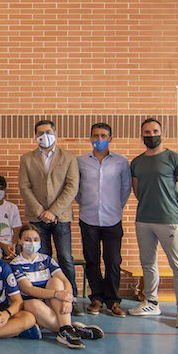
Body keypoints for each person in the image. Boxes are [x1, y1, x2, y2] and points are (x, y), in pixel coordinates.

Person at [129, 118, 178, 329]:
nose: (151, 135)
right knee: (148, 263)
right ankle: (151, 302)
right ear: (142, 136)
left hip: (169, 222)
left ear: (162, 132)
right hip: (144, 220)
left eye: (155, 131)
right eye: (147, 132)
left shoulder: (174, 159)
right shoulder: (137, 162)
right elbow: (137, 191)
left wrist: (175, 210)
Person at [10, 225, 103, 349]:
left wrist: (68, 299)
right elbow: (28, 289)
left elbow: (65, 281)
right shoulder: (16, 264)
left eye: (35, 239)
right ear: (20, 241)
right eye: (27, 240)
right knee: (33, 303)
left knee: (56, 281)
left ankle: (66, 331)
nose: (32, 243)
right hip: (30, 305)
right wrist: (56, 294)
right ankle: (70, 329)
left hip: (51, 303)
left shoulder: (47, 260)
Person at [18, 120, 80, 297]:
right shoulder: (27, 159)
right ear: (35, 136)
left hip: (61, 216)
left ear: (55, 133)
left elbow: (72, 186)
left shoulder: (69, 157)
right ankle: (45, 296)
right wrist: (41, 212)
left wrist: (53, 211)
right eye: (40, 133)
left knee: (65, 258)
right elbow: (24, 186)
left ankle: (71, 296)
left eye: (48, 131)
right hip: (36, 217)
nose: (44, 135)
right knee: (41, 258)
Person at [75, 123, 131, 318]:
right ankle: (97, 298)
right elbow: (77, 189)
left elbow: (126, 188)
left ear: (110, 138)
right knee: (92, 260)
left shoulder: (121, 162)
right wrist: (85, 204)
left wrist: (116, 207)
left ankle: (113, 300)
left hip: (113, 219)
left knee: (113, 261)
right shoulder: (81, 161)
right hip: (88, 218)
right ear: (90, 138)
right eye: (95, 135)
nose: (99, 139)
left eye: (103, 135)